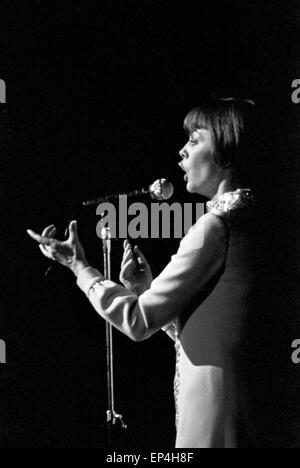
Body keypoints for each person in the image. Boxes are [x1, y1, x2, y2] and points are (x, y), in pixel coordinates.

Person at [27, 98, 272, 448]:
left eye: (194, 140)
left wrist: (78, 266)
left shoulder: (215, 226)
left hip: (215, 407)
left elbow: (137, 321)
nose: (181, 152)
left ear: (226, 146)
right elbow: (216, 327)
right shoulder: (254, 218)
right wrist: (147, 290)